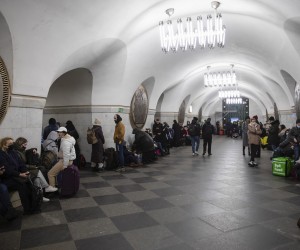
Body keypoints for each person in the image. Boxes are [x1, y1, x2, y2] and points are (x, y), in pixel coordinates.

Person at [0, 137, 37, 215]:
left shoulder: (12, 152)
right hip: (7, 178)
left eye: (12, 143)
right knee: (22, 184)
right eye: (10, 144)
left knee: (29, 182)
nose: (12, 145)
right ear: (4, 145)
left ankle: (33, 205)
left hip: (15, 176)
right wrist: (20, 174)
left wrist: (25, 171)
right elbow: (7, 170)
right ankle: (27, 209)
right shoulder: (1, 155)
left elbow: (21, 164)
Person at [13, 137, 57, 201]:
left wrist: (33, 149)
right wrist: (34, 167)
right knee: (37, 171)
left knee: (37, 179)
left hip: (25, 168)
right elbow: (21, 165)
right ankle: (46, 187)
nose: (26, 146)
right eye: (25, 144)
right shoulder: (17, 153)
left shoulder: (21, 150)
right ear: (21, 144)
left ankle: (40, 196)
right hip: (22, 171)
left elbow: (26, 152)